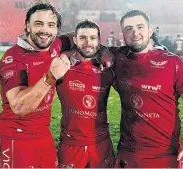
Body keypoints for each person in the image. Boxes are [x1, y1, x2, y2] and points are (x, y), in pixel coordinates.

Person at [0, 3, 73, 168]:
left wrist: (101, 49)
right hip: (16, 137)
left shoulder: (55, 45)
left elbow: (77, 36)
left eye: (51, 25)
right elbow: (19, 108)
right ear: (27, 26)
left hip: (43, 134)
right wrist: (50, 77)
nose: (45, 30)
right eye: (38, 24)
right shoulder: (13, 58)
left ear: (56, 29)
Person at [106, 10, 183, 168]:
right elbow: (85, 42)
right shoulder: (119, 57)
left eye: (140, 27)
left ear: (150, 30)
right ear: (123, 34)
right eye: (128, 28)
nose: (135, 33)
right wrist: (102, 52)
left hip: (165, 155)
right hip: (129, 154)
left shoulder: (172, 62)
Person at [56, 20, 115, 168]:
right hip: (71, 144)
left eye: (93, 38)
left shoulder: (109, 68)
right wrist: (65, 54)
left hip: (101, 145)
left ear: (99, 41)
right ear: (75, 40)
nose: (88, 42)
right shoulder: (62, 66)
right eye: (82, 38)